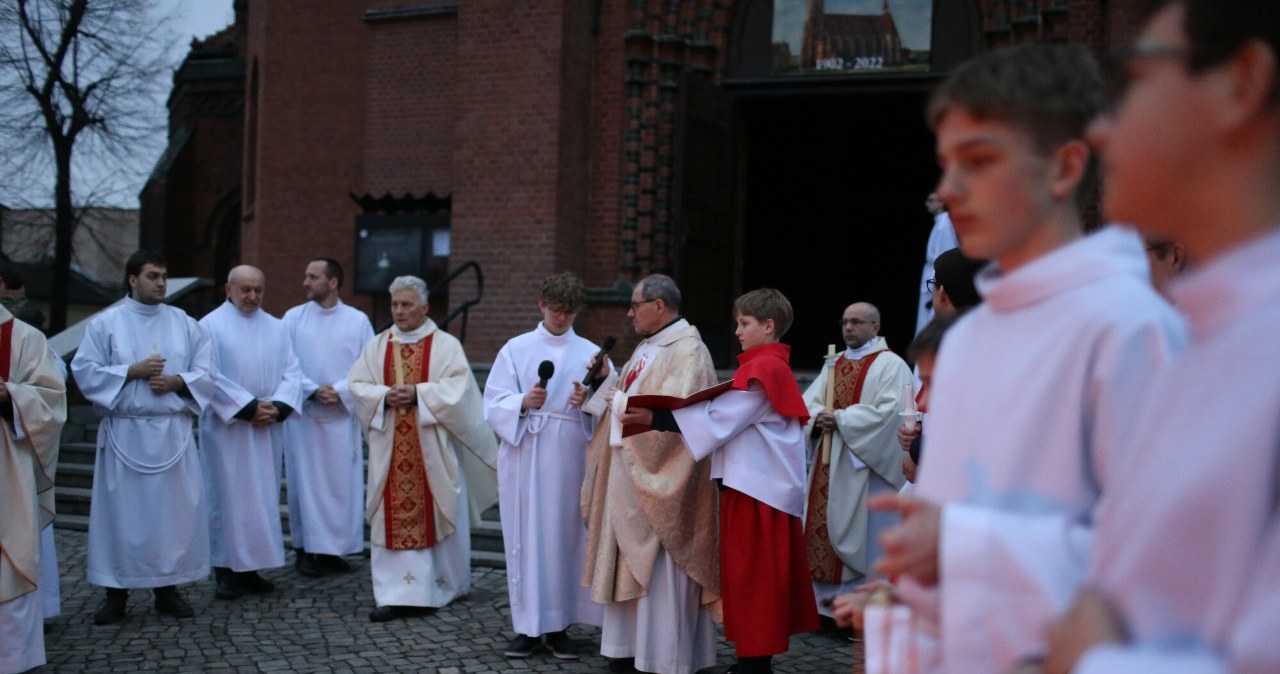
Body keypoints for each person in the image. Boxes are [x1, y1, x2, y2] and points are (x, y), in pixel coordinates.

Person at [870, 43, 1188, 673]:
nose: (948, 190)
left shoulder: (1131, 327)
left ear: (1065, 168)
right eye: (946, 164)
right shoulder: (970, 337)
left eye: (978, 161)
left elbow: (1167, 563)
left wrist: (962, 544)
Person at [1037, 1, 1280, 671]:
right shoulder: (1209, 332)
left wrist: (1092, 659)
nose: (1101, 129)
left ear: (1241, 83)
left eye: (1136, 79)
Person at [622, 288, 818, 674]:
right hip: (752, 488)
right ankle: (752, 659)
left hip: (759, 493)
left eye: (745, 323)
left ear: (768, 325)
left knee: (754, 580)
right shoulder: (764, 367)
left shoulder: (765, 372)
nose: (737, 331)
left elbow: (720, 419)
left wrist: (656, 418)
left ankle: (755, 665)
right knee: (749, 578)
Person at [580, 273, 720, 674]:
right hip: (628, 475)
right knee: (627, 559)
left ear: (659, 305)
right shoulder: (648, 345)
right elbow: (627, 396)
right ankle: (627, 649)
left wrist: (621, 402)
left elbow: (678, 416)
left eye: (635, 305)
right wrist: (606, 381)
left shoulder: (689, 351)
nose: (629, 313)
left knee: (661, 568)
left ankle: (663, 657)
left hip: (661, 480)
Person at [72, 250, 217, 624]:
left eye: (164, 276)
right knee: (120, 517)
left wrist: (177, 381)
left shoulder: (184, 323)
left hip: (171, 432)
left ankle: (168, 589)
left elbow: (208, 372)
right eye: (153, 276)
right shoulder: (106, 324)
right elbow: (84, 371)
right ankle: (115, 594)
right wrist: (130, 371)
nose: (161, 283)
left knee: (172, 518)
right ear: (133, 279)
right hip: (126, 432)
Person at [348, 275, 499, 623]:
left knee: (439, 509)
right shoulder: (377, 346)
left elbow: (462, 391)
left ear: (425, 308)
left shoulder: (445, 346)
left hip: (433, 450)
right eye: (395, 305)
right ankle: (394, 594)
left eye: (406, 305)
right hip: (391, 450)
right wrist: (384, 396)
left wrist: (419, 394)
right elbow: (357, 385)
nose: (399, 311)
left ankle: (440, 586)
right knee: (390, 513)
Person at [483, 272, 612, 659]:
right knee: (525, 538)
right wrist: (522, 402)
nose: (561, 317)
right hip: (526, 450)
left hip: (569, 454)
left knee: (565, 538)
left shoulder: (590, 352)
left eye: (569, 311)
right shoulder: (516, 348)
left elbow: (611, 399)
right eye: (555, 309)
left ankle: (559, 625)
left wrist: (587, 397)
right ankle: (527, 627)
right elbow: (493, 401)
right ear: (542, 305)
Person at [799, 301, 911, 616]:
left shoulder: (892, 365)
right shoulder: (833, 362)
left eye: (857, 322)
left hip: (865, 468)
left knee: (867, 536)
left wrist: (842, 419)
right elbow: (809, 402)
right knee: (821, 528)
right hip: (828, 459)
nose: (848, 327)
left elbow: (891, 412)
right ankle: (824, 609)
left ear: (875, 327)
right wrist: (818, 416)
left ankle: (861, 613)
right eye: (845, 322)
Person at [199, 265, 303, 600]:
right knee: (227, 497)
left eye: (258, 290)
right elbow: (208, 375)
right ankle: (226, 570)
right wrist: (247, 407)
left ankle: (252, 568)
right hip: (228, 430)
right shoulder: (209, 326)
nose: (252, 296)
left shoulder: (276, 327)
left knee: (261, 498)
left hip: (266, 428)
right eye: (245, 289)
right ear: (228, 289)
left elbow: (293, 371)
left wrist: (279, 406)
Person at [283, 258, 373, 577]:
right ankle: (304, 549)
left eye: (313, 277)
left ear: (333, 282)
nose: (305, 282)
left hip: (341, 417)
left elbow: (369, 365)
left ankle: (335, 550)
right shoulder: (293, 318)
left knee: (340, 487)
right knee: (303, 486)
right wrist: (311, 389)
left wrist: (340, 390)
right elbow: (286, 362)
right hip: (305, 419)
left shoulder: (358, 321)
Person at [0, 260, 65, 673]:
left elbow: (51, 401)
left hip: (6, 464)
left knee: (10, 555)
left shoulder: (24, 337)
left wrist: (10, 395)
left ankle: (12, 659)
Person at [915, 192, 960, 335]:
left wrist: (937, 286)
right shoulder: (941, 223)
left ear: (942, 203)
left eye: (931, 200)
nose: (927, 204)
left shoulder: (944, 225)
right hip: (931, 275)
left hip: (936, 279)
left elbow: (944, 258)